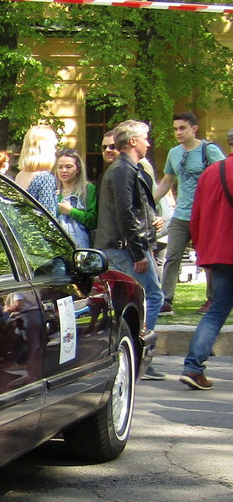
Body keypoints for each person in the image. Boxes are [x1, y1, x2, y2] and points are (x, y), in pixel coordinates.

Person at [93, 120, 164, 339]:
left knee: (127, 299)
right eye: (145, 139)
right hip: (123, 247)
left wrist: (151, 223)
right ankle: (141, 346)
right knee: (153, 296)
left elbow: (133, 210)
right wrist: (138, 252)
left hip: (121, 246)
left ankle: (129, 344)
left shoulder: (126, 169)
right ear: (133, 142)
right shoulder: (123, 170)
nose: (148, 144)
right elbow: (125, 214)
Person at [153, 112, 225, 315]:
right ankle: (165, 301)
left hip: (206, 215)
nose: (178, 132)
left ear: (194, 129)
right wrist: (149, 203)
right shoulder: (173, 153)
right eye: (175, 129)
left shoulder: (208, 150)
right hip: (181, 215)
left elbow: (225, 174)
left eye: (182, 128)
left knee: (208, 259)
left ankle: (212, 300)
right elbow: (167, 181)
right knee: (172, 257)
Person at [178, 157, 233, 390]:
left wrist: (203, 251)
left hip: (218, 252)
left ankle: (193, 368)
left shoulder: (211, 171)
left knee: (216, 311)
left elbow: (196, 216)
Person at [54, 149, 96, 248]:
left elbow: (93, 220)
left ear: (78, 169)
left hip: (81, 248)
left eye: (69, 167)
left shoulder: (88, 189)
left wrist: (71, 211)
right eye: (60, 167)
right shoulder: (53, 191)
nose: (64, 170)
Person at [14, 126, 59, 214]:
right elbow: (49, 218)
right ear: (45, 149)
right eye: (53, 146)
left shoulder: (20, 175)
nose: (55, 150)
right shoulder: (45, 178)